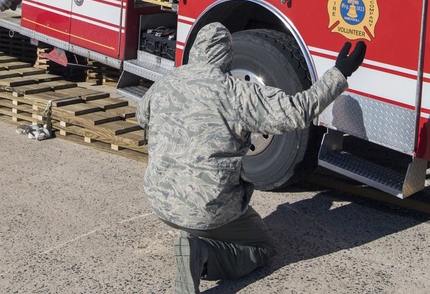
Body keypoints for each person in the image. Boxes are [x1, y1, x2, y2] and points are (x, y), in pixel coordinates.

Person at [137, 22, 366, 293]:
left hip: (160, 202)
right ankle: (201, 251)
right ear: (226, 56)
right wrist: (339, 73)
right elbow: (297, 111)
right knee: (263, 249)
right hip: (208, 208)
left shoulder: (165, 82)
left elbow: (143, 116)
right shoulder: (237, 93)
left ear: (196, 51)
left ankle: (197, 238)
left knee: (209, 214)